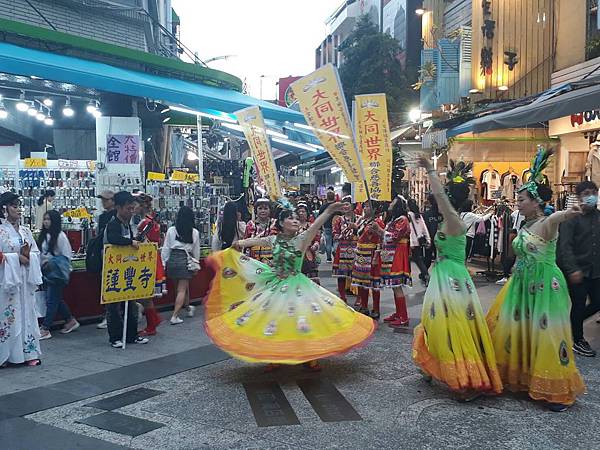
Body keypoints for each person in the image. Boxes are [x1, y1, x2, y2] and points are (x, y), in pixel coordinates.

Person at [204, 201, 375, 370]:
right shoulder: (273, 239)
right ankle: (276, 356)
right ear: (280, 223)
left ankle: (310, 356)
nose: (295, 221)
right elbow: (254, 241)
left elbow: (318, 223)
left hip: (299, 285)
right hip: (277, 285)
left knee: (305, 321)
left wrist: (330, 210)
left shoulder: (303, 238)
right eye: (290, 218)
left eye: (296, 219)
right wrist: (238, 244)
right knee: (275, 321)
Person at [486, 148, 585, 411]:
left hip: (544, 286)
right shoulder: (525, 225)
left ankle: (555, 389)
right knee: (520, 332)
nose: (517, 204)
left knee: (547, 336)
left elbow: (559, 216)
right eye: (517, 200)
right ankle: (527, 379)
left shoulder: (547, 223)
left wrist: (575, 210)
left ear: (536, 202)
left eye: (521, 200)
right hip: (521, 284)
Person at [412, 157, 503, 399]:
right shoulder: (449, 220)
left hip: (452, 279)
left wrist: (431, 170)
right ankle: (434, 365)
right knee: (435, 321)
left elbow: (439, 197)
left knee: (454, 325)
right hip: (443, 277)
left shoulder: (454, 220)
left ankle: (464, 378)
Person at [557, 180, 600, 357]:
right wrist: (572, 269)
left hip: (596, 270)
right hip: (577, 270)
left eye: (593, 192)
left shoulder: (599, 216)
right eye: (586, 193)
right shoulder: (571, 218)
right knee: (579, 303)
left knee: (598, 302)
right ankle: (578, 339)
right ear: (579, 197)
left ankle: (574, 324)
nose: (590, 196)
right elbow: (564, 247)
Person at [0, 192, 43, 367]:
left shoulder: (25, 231)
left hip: (24, 281)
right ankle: (6, 354)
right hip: (7, 282)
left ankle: (28, 353)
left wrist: (28, 257)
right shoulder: (1, 231)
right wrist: (16, 258)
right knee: (7, 315)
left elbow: (36, 252)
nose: (18, 209)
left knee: (26, 314)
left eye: (19, 205)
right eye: (14, 205)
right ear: (4, 208)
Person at [104, 191, 149, 348]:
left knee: (130, 303)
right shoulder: (113, 224)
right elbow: (113, 239)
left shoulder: (127, 225)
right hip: (112, 272)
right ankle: (115, 337)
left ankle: (131, 335)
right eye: (128, 209)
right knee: (113, 306)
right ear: (118, 207)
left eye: (132, 209)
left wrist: (136, 241)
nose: (131, 212)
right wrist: (130, 241)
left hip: (127, 270)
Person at [37, 210, 79, 340]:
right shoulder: (44, 235)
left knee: (51, 300)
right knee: (55, 299)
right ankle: (70, 320)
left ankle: (45, 328)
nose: (46, 222)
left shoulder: (60, 236)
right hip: (46, 272)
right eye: (45, 219)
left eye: (49, 219)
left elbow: (66, 255)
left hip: (56, 273)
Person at [162, 206, 200, 324]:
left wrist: (163, 263)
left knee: (178, 287)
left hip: (172, 260)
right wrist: (196, 263)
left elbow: (166, 248)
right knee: (182, 289)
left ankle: (188, 307)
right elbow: (196, 251)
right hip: (185, 259)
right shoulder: (194, 232)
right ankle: (175, 316)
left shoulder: (171, 230)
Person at [377, 196, 412, 327]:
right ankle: (399, 313)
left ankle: (403, 317)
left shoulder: (402, 220)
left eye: (393, 202)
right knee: (394, 285)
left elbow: (394, 237)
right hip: (391, 254)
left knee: (396, 285)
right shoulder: (395, 219)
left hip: (397, 253)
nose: (390, 203)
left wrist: (380, 231)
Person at [134, 194, 165, 337]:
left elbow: (137, 241)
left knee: (144, 295)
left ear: (142, 206)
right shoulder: (154, 221)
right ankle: (153, 321)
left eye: (136, 205)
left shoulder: (144, 223)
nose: (134, 208)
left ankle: (152, 323)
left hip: (146, 260)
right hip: (153, 258)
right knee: (146, 295)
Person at [351, 201, 385, 318]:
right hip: (360, 253)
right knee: (361, 282)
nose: (365, 208)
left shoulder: (378, 222)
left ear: (374, 209)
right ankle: (364, 306)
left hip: (371, 253)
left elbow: (381, 240)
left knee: (374, 283)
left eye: (367, 206)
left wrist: (376, 256)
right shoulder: (363, 221)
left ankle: (376, 308)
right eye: (364, 206)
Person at [96, 190, 116, 330]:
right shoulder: (103, 217)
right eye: (102, 199)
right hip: (105, 253)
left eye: (106, 200)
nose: (103, 202)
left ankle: (109, 315)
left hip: (113, 255)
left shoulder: (115, 217)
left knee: (110, 285)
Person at [332, 196, 357, 303]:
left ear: (352, 206)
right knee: (341, 274)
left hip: (356, 248)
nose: (346, 206)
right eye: (344, 205)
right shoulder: (339, 220)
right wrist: (341, 235)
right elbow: (335, 234)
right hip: (342, 248)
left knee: (357, 274)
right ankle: (342, 296)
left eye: (348, 204)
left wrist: (355, 229)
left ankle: (360, 298)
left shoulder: (359, 218)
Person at [244, 198, 276, 264]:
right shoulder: (250, 225)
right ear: (256, 210)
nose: (263, 211)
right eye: (260, 208)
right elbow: (246, 243)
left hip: (272, 262)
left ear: (270, 210)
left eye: (266, 208)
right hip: (254, 262)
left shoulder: (275, 224)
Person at [408, 198, 431, 286]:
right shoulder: (419, 215)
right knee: (418, 260)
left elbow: (409, 230)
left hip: (411, 242)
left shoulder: (408, 215)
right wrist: (428, 239)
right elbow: (424, 228)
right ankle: (426, 275)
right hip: (418, 241)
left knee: (407, 261)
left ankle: (408, 278)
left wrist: (410, 242)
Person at [296, 202, 321, 284]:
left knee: (312, 279)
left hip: (309, 254)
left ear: (307, 213)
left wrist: (315, 245)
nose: (301, 213)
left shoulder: (311, 226)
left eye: (303, 211)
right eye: (299, 211)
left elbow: (317, 239)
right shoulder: (293, 226)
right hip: (296, 255)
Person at [423, 194, 443, 269]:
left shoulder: (426, 214)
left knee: (427, 258)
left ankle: (424, 274)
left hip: (430, 238)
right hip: (441, 239)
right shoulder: (442, 214)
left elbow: (424, 228)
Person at [318, 191, 336, 262]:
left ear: (327, 197)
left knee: (328, 242)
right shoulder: (337, 206)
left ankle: (329, 258)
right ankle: (335, 251)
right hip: (336, 227)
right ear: (334, 197)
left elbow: (319, 217)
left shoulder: (323, 207)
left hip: (327, 226)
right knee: (335, 242)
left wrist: (319, 227)